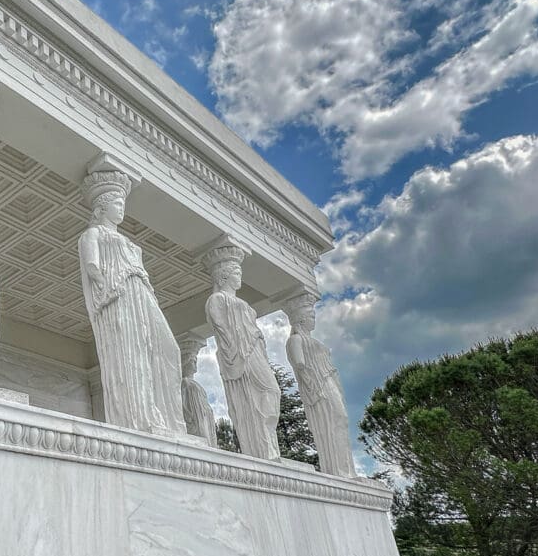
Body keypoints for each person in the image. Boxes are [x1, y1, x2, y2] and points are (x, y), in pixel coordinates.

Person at [78, 169, 186, 435]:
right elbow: (93, 269)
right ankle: (141, 417)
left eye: (123, 203)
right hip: (120, 299)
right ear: (102, 207)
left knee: (167, 348)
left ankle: (167, 419)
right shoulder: (92, 235)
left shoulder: (129, 243)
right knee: (132, 355)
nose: (121, 208)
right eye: (117, 203)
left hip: (142, 296)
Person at [203, 245, 280, 460]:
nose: (240, 276)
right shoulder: (217, 300)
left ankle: (269, 445)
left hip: (255, 350)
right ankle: (260, 448)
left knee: (272, 392)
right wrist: (237, 355)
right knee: (260, 393)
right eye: (236, 272)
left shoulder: (242, 304)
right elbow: (224, 332)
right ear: (223, 276)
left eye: (239, 271)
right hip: (241, 355)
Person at [285, 293, 356, 476]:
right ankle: (337, 469)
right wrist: (312, 386)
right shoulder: (296, 339)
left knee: (342, 420)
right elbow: (299, 364)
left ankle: (347, 470)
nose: (313, 320)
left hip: (329, 381)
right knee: (334, 420)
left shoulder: (311, 340)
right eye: (310, 316)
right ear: (301, 318)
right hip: (319, 386)